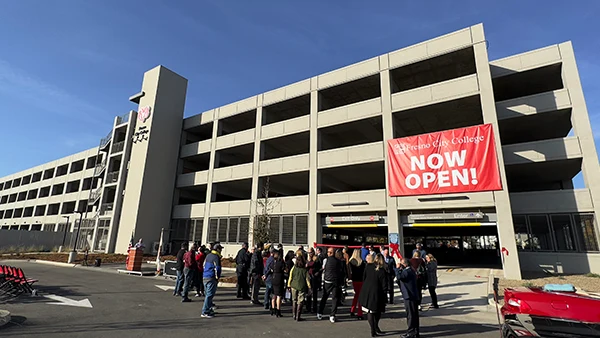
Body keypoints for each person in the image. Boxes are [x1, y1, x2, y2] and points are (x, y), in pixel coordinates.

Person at [359, 254, 388, 337]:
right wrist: (385, 294)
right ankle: (374, 328)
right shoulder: (382, 270)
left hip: (367, 290)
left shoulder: (368, 267)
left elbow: (364, 277)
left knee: (370, 311)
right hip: (377, 292)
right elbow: (384, 285)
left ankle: (373, 329)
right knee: (377, 311)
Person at [318, 247, 344, 323]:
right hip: (335, 281)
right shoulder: (338, 261)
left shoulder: (325, 260)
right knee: (334, 299)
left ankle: (320, 312)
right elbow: (340, 272)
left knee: (324, 297)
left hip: (327, 281)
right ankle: (332, 315)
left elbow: (323, 268)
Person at [396, 258, 420, 338]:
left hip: (409, 296)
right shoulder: (411, 270)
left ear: (405, 264)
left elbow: (399, 277)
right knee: (414, 315)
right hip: (413, 295)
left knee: (410, 315)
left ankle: (411, 332)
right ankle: (415, 332)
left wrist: (397, 268)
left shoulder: (407, 272)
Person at [201, 243, 223, 318]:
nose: (221, 251)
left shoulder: (208, 255)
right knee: (210, 295)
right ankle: (205, 311)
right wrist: (218, 277)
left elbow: (203, 265)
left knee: (208, 294)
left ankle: (209, 309)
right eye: (220, 249)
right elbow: (218, 268)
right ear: (218, 249)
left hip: (205, 276)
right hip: (211, 277)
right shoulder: (216, 257)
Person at [288, 254, 311, 321]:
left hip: (294, 285)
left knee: (294, 300)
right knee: (300, 301)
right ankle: (298, 316)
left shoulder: (294, 268)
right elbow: (307, 279)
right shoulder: (304, 270)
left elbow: (290, 276)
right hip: (302, 286)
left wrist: (288, 285)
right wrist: (309, 287)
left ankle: (294, 315)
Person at [348, 248, 365, 320]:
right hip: (361, 280)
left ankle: (352, 309)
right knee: (360, 296)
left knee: (356, 295)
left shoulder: (351, 262)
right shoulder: (362, 263)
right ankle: (359, 313)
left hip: (354, 280)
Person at [269, 249, 286, 317]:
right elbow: (284, 269)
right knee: (279, 295)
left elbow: (270, 268)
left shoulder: (273, 262)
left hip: (273, 277)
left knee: (274, 294)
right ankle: (278, 310)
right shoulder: (281, 262)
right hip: (279, 278)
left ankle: (273, 308)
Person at [306, 247, 321, 313]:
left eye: (311, 252)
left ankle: (314, 308)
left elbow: (319, 267)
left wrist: (318, 272)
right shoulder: (308, 259)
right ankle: (308, 308)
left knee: (314, 293)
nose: (309, 254)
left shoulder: (316, 259)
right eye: (308, 252)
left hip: (314, 277)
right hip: (309, 277)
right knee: (308, 293)